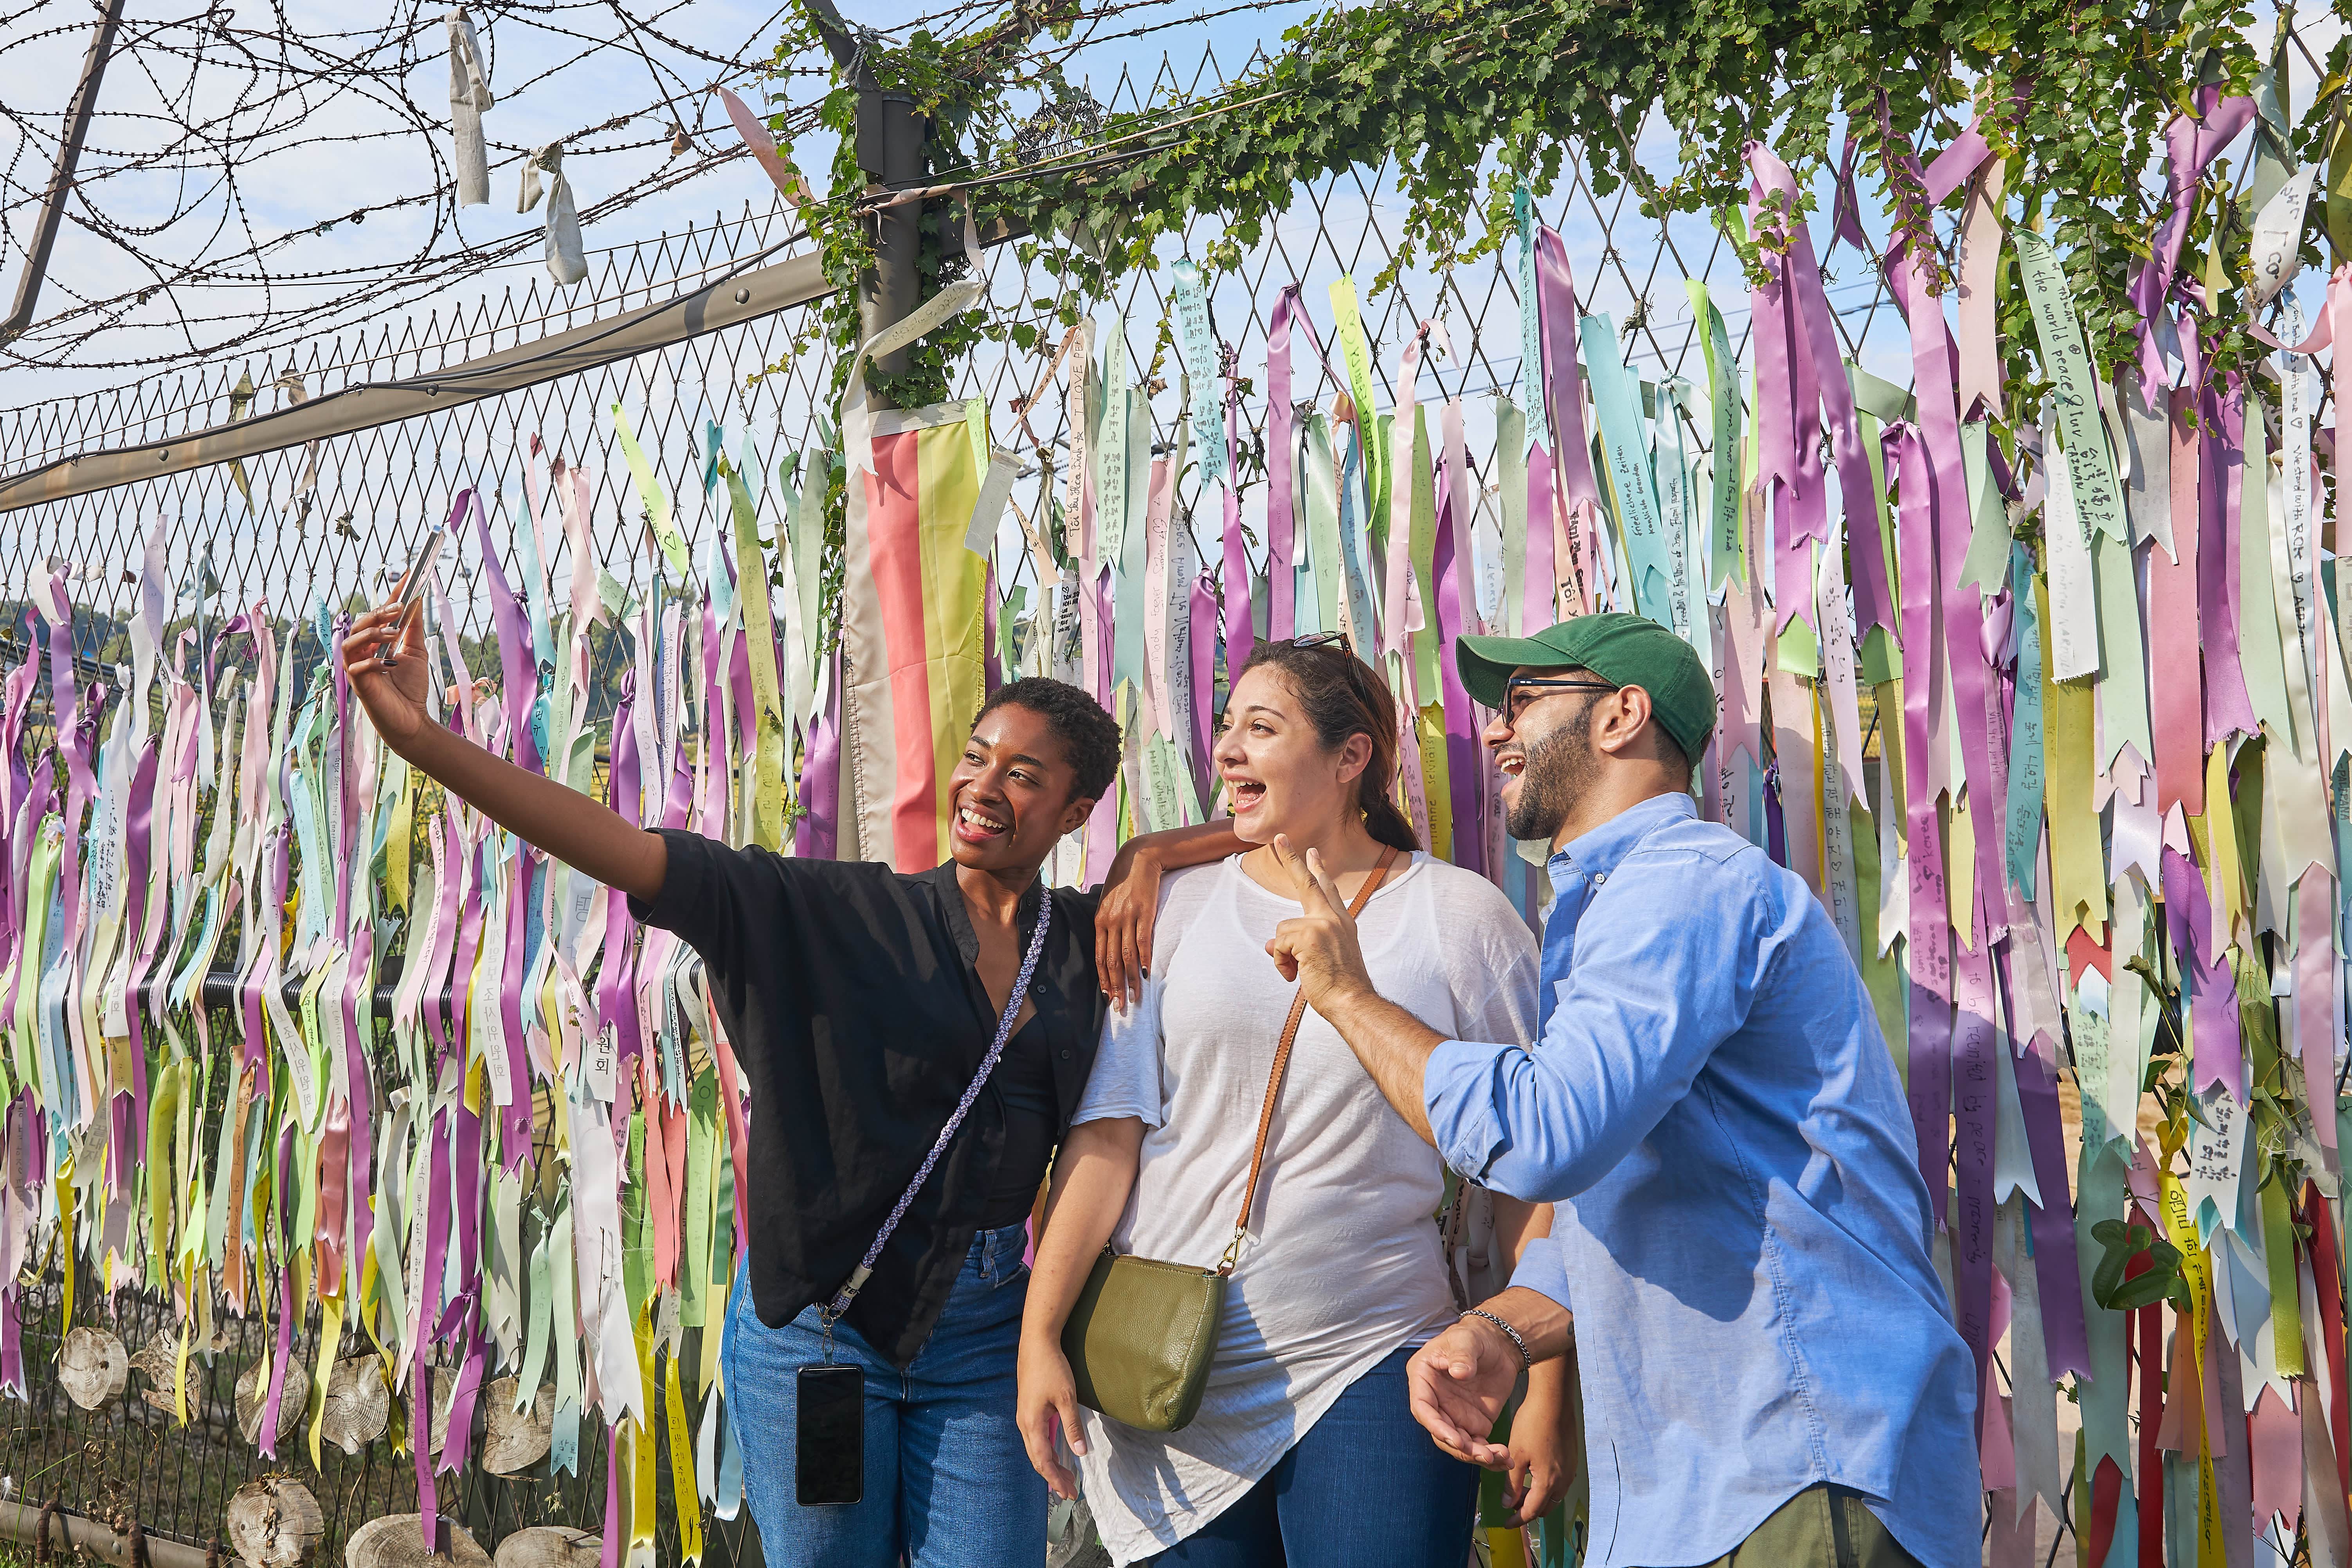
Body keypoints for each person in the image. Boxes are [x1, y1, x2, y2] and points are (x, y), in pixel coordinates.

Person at [342, 597, 1241, 1568]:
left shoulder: (1082, 940)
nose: (985, 786)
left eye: (1024, 776)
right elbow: (621, 848)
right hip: (823, 1342)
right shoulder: (836, 913)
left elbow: (1277, 822)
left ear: (1075, 811)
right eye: (978, 757)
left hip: (990, 1342)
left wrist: (1155, 852)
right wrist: (420, 739)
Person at [1261, 612, 1977, 1568]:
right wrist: (1502, 1334)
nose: (1498, 731)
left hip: (1793, 1465)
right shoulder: (1620, 904)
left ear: (1620, 716)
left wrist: (1347, 995)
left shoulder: (1680, 885)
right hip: (1715, 1486)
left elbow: (1545, 1136)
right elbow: (1632, 1206)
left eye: (1521, 701)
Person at [1018, 637, 1562, 1566]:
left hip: (1377, 1357)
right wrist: (1040, 1338)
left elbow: (1538, 1166)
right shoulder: (1175, 907)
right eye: (1225, 728)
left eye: (1260, 729)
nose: (1226, 751)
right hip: (1166, 1383)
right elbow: (1107, 1137)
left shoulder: (1458, 918)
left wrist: (1544, 1393)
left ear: (1351, 759)